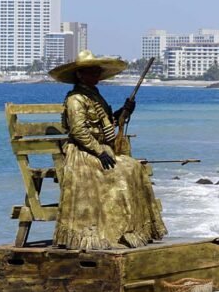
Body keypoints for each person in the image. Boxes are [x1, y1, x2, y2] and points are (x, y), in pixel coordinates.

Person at [48, 50, 168, 250]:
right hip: (83, 153)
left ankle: (132, 230)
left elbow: (107, 124)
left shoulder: (95, 96)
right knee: (123, 172)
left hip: (101, 150)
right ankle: (114, 233)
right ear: (80, 74)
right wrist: (99, 151)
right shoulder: (75, 99)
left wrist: (124, 111)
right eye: (92, 71)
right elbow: (78, 130)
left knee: (134, 167)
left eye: (97, 71)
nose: (96, 75)